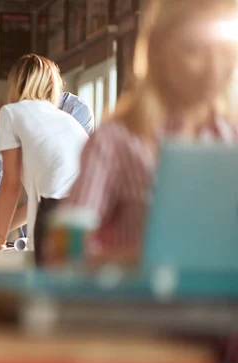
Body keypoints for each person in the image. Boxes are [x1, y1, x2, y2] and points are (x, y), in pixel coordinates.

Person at [48, 0, 238, 268]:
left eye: (225, 51)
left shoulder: (232, 139)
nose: (214, 67)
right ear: (158, 50)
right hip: (141, 307)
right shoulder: (116, 139)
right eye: (194, 50)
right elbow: (63, 252)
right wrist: (147, 261)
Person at [0, 54, 88, 254]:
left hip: (53, 219)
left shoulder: (11, 113)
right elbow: (57, 197)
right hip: (86, 217)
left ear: (15, 83)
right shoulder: (66, 120)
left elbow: (11, 184)